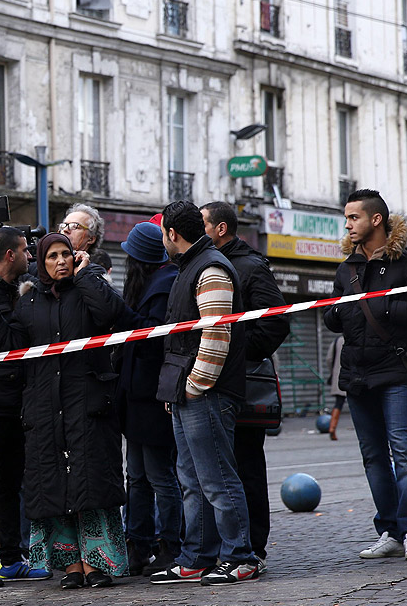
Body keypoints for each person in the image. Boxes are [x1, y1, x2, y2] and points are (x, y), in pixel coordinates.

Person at [0, 232, 130, 589]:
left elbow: (112, 313)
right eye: (52, 257)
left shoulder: (88, 289)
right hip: (45, 408)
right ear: (41, 263)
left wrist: (86, 275)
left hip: (87, 404)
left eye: (66, 254)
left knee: (89, 484)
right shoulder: (29, 301)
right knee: (57, 489)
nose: (60, 261)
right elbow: (14, 346)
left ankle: (97, 564)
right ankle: (72, 566)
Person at [149, 201, 258, 586]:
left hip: (205, 392)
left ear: (172, 234)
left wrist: (196, 385)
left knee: (217, 479)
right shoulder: (192, 266)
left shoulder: (209, 268)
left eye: (163, 232)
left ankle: (240, 557)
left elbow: (216, 335)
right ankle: (196, 557)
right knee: (192, 478)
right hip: (187, 391)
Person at [324, 189, 407, 561]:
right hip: (356, 373)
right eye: (346, 218)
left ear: (375, 220)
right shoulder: (346, 268)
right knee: (373, 456)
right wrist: (334, 315)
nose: (348, 224)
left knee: (404, 451)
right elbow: (334, 315)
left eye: (354, 217)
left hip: (396, 368)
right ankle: (390, 530)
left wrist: (390, 307)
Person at [201, 201, 290, 573]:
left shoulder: (250, 266)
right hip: (212, 386)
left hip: (242, 388)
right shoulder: (205, 264)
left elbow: (275, 323)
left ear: (220, 229)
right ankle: (224, 546)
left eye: (202, 223)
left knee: (246, 467)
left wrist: (233, 354)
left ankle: (253, 549)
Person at [0, 228, 50, 587]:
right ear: (9, 255)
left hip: (15, 404)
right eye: (25, 250)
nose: (31, 256)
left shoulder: (23, 291)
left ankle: (10, 557)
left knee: (8, 485)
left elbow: (18, 344)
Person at [114, 223, 181, 576]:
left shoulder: (162, 285)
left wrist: (121, 313)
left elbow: (152, 338)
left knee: (159, 476)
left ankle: (170, 545)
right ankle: (137, 544)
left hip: (152, 397)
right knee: (136, 476)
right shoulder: (152, 284)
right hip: (138, 396)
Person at [323, 336, 346, 440]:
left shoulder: (337, 340)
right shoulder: (358, 336)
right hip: (354, 376)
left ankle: (332, 427)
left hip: (339, 376)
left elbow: (329, 359)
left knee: (339, 403)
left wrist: (333, 372)